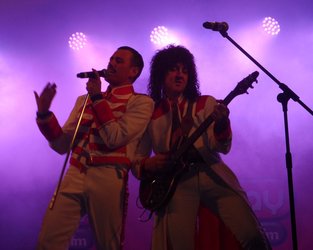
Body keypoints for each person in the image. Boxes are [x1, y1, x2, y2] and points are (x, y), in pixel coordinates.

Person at [132, 45, 271, 250]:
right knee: (179, 245)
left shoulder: (205, 103)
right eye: (174, 69)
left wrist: (222, 123)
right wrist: (149, 163)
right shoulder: (151, 111)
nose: (180, 74)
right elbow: (137, 156)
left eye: (185, 70)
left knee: (252, 236)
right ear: (161, 73)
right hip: (176, 184)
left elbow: (221, 147)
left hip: (211, 172)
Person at [34, 46, 154, 250]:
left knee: (108, 245)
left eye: (119, 61)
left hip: (108, 176)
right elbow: (62, 145)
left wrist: (98, 97)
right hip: (75, 172)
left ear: (133, 71)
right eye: (111, 59)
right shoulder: (84, 100)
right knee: (48, 241)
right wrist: (44, 114)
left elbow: (114, 138)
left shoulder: (141, 103)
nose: (111, 63)